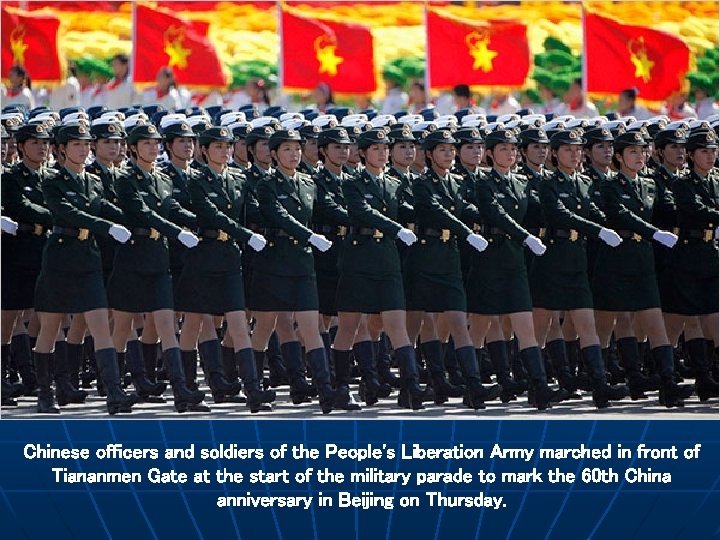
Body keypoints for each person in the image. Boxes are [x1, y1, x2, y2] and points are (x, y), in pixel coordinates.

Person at [32, 123, 137, 414]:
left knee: (101, 324)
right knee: (50, 328)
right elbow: (69, 212)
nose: (83, 149)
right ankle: (45, 393)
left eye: (86, 144)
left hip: (88, 258)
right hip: (60, 259)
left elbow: (104, 207)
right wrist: (108, 227)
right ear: (62, 149)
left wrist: (138, 222)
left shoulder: (92, 181)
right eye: (77, 144)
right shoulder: (52, 181)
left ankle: (114, 393)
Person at [107, 123, 208, 413]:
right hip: (132, 259)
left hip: (157, 258)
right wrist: (178, 232)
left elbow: (171, 207)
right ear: (134, 148)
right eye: (146, 143)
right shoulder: (126, 179)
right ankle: (114, 389)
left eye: (155, 143)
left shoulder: (163, 179)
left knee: (167, 324)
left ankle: (181, 391)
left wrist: (198, 220)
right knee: (122, 327)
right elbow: (142, 212)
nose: (153, 148)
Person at [174, 126, 275, 413]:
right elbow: (211, 214)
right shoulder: (196, 180)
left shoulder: (238, 179)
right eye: (218, 147)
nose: (225, 151)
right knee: (193, 324)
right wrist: (246, 235)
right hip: (202, 257)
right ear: (204, 150)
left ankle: (253, 389)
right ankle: (187, 390)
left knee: (239, 323)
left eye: (228, 146)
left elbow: (250, 213)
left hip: (230, 258)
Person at [332, 128, 432, 410]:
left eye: (385, 148)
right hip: (358, 258)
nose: (382, 153)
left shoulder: (392, 183)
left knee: (397, 323)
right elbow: (363, 211)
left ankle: (412, 386)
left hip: (387, 259)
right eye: (376, 148)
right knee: (349, 325)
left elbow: (409, 209)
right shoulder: (352, 183)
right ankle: (340, 386)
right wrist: (397, 228)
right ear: (362, 153)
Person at [592, 130, 692, 408]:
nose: (640, 156)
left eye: (642, 151)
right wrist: (654, 232)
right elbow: (621, 214)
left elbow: (670, 211)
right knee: (607, 324)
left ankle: (668, 383)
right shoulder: (609, 186)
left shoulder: (649, 185)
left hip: (643, 259)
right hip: (615, 259)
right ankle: (601, 381)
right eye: (633, 152)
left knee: (654, 322)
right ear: (619, 157)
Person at [530, 129, 629, 408]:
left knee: (587, 324)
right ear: (555, 154)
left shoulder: (584, 182)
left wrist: (611, 225)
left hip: (576, 260)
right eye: (567, 150)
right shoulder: (547, 182)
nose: (574, 154)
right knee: (541, 326)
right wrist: (598, 230)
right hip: (552, 260)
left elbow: (593, 212)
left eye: (577, 150)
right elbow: (560, 214)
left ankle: (599, 385)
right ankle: (536, 384)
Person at [406, 129, 503, 409]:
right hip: (424, 258)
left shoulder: (458, 183)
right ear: (429, 154)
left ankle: (473, 386)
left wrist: (493, 220)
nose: (448, 154)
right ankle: (421, 382)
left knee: (459, 322)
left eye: (451, 150)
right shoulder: (421, 183)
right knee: (420, 324)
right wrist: (466, 231)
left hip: (449, 259)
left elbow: (469, 209)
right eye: (442, 150)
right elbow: (438, 211)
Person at [249, 129, 341, 413]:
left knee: (310, 326)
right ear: (274, 154)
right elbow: (278, 215)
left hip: (302, 262)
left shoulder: (308, 182)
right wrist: (309, 236)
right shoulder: (266, 185)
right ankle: (253, 388)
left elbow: (326, 209)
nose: (294, 154)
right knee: (264, 327)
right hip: (274, 261)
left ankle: (325, 390)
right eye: (287, 149)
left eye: (297, 149)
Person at [465, 129, 556, 410]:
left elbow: (537, 212)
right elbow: (495, 213)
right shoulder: (482, 182)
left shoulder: (520, 182)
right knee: (481, 325)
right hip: (489, 258)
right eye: (503, 148)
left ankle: (538, 387)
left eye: (513, 148)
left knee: (524, 324)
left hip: (514, 259)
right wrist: (526, 237)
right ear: (490, 153)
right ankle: (473, 386)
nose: (510, 153)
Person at [1, 123, 55, 403]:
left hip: (46, 249)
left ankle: (36, 377)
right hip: (17, 252)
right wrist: (56, 214)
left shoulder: (52, 176)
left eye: (45, 142)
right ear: (21, 147)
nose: (42, 147)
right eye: (35, 142)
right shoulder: (11, 177)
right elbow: (22, 207)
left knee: (45, 315)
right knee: (9, 317)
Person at [666, 129, 719, 400]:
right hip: (688, 255)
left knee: (714, 316)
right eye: (704, 152)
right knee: (694, 319)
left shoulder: (717, 180)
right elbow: (694, 209)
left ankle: (711, 371)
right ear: (691, 155)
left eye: (713, 151)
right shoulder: (682, 183)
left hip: (712, 253)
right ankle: (703, 376)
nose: (710, 157)